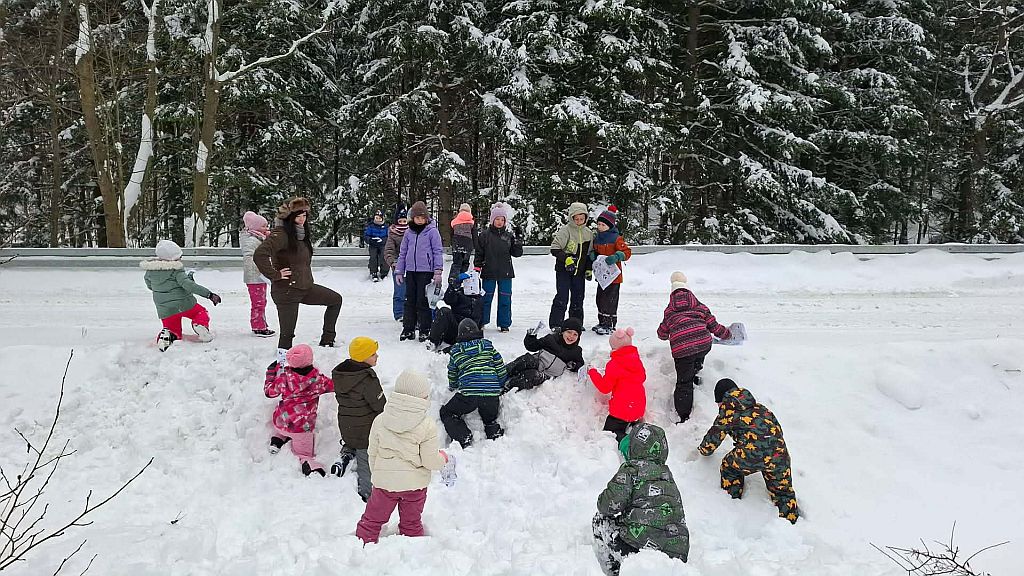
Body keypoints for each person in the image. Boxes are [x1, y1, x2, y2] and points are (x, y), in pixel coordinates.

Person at [356, 370, 449, 544]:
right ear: (423, 398)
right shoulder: (427, 424)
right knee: (411, 523)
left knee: (371, 520)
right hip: (414, 487)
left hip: (384, 484)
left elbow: (373, 452)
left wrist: (378, 474)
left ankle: (361, 545)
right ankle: (412, 551)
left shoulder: (380, 420)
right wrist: (442, 458)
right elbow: (429, 460)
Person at [593, 423, 689, 575]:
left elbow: (608, 504)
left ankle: (616, 570)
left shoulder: (631, 470)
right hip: (675, 555)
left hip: (637, 549)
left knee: (600, 520)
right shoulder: (667, 475)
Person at [700, 379, 799, 524]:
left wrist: (703, 450)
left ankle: (730, 501)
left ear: (722, 399)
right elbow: (778, 429)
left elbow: (711, 441)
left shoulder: (727, 414)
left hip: (751, 455)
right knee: (783, 491)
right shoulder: (761, 408)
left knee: (729, 467)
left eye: (718, 403)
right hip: (779, 454)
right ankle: (791, 522)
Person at [254, 197, 343, 350]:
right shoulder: (281, 234)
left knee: (335, 300)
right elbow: (259, 255)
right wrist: (275, 275)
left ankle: (327, 341)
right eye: (298, 216)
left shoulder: (301, 234)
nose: (302, 220)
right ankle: (281, 367)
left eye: (304, 216)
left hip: (305, 287)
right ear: (289, 217)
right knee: (287, 334)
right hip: (287, 291)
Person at [656, 271, 732, 423]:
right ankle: (696, 373)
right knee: (697, 356)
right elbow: (714, 326)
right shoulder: (700, 306)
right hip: (703, 344)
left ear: (672, 295)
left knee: (683, 382)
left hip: (682, 350)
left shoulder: (669, 311)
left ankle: (684, 415)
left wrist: (665, 334)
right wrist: (727, 334)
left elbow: (662, 333)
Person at [264, 344, 335, 477]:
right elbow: (334, 385)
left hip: (281, 421)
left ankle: (277, 439)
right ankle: (308, 463)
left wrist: (271, 373)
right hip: (301, 429)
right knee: (304, 453)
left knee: (284, 427)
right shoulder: (318, 380)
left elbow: (269, 392)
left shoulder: (283, 378)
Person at [141, 239, 221, 352]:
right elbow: (189, 286)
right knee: (200, 312)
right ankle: (200, 325)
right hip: (185, 304)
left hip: (165, 309)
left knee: (175, 332)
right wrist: (209, 294)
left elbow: (150, 285)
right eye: (179, 256)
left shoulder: (151, 270)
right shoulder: (176, 270)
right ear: (174, 258)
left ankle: (168, 334)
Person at [331, 337, 385, 502]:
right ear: (363, 358)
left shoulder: (342, 375)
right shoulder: (367, 380)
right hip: (364, 430)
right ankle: (366, 491)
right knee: (365, 457)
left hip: (346, 425)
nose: (377, 356)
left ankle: (345, 456)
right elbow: (380, 405)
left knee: (352, 441)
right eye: (373, 354)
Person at [440, 319, 507, 447]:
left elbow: (452, 373)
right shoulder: (487, 346)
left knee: (447, 413)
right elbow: (499, 365)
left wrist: (453, 386)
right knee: (490, 418)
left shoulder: (456, 351)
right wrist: (501, 383)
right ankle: (493, 431)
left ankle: (463, 436)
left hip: (469, 396)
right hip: (491, 395)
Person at [587, 327, 646, 442]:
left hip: (621, 411)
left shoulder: (614, 364)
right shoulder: (636, 360)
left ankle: (627, 442)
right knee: (631, 419)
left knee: (609, 436)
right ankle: (635, 427)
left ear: (614, 347)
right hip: (639, 408)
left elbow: (605, 388)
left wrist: (592, 372)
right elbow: (643, 377)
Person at [395, 201, 444, 342]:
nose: (420, 220)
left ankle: (425, 329)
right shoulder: (408, 233)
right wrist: (399, 270)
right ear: (413, 218)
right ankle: (408, 329)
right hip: (411, 271)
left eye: (423, 218)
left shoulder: (432, 232)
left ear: (427, 218)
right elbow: (403, 252)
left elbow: (437, 252)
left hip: (426, 271)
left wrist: (438, 271)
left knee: (423, 301)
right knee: (409, 300)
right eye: (417, 218)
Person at [473, 202, 523, 332]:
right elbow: (479, 252)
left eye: (502, 220)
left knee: (505, 299)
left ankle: (504, 323)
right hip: (489, 272)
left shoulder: (508, 236)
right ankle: (482, 321)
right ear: (492, 220)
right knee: (485, 298)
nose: (500, 222)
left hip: (505, 273)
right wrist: (477, 267)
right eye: (497, 219)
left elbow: (517, 253)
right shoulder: (484, 235)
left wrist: (518, 239)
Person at [503, 317, 585, 392]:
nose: (571, 336)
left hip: (547, 375)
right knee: (527, 360)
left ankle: (509, 386)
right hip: (538, 361)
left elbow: (580, 364)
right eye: (569, 332)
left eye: (575, 334)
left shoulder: (576, 351)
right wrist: (531, 337)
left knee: (531, 375)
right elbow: (532, 346)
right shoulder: (551, 339)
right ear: (563, 332)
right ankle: (504, 372)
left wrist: (574, 365)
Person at [549, 202, 594, 330]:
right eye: (576, 218)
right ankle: (556, 324)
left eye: (582, 218)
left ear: (586, 218)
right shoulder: (565, 231)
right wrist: (566, 259)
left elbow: (589, 253)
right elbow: (555, 248)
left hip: (579, 272)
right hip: (564, 270)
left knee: (578, 298)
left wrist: (588, 269)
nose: (579, 221)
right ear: (571, 218)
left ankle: (576, 324)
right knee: (562, 297)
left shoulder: (588, 233)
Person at [589, 205, 631, 335]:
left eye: (603, 225)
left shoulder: (616, 238)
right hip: (602, 277)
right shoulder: (597, 238)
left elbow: (627, 252)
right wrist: (593, 256)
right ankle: (602, 321)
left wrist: (616, 256)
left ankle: (610, 324)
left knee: (610, 301)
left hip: (614, 277)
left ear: (610, 226)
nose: (600, 227)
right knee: (600, 299)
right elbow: (595, 252)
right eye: (599, 224)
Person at [427, 272, 483, 353]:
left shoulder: (480, 299)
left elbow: (480, 320)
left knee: (471, 326)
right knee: (444, 311)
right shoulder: (459, 294)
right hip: (455, 329)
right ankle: (433, 342)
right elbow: (448, 299)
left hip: (470, 334)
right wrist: (453, 286)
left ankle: (452, 349)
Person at [241, 211, 274, 337]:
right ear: (255, 228)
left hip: (260, 276)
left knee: (261, 301)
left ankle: (260, 324)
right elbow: (249, 258)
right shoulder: (252, 241)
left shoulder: (257, 238)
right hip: (255, 277)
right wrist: (261, 269)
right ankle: (258, 326)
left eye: (266, 226)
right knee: (258, 303)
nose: (266, 228)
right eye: (263, 226)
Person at [383, 205, 409, 322]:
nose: (403, 223)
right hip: (398, 266)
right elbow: (388, 251)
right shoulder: (393, 234)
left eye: (405, 221)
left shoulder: (412, 232)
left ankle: (411, 313)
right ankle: (399, 314)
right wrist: (393, 262)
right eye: (400, 221)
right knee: (400, 292)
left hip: (412, 266)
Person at [449, 203, 477, 284]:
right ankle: (461, 278)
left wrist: (453, 242)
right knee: (465, 262)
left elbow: (451, 233)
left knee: (456, 263)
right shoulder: (471, 222)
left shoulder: (454, 221)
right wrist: (475, 246)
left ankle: (453, 278)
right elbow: (474, 235)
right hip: (468, 244)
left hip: (457, 243)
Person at [362, 210, 389, 282]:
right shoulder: (371, 226)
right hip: (373, 245)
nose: (377, 219)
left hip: (383, 244)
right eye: (376, 218)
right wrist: (370, 240)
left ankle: (384, 272)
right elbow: (366, 235)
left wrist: (383, 240)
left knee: (384, 257)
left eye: (379, 218)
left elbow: (389, 236)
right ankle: (374, 272)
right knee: (373, 258)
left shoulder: (386, 226)